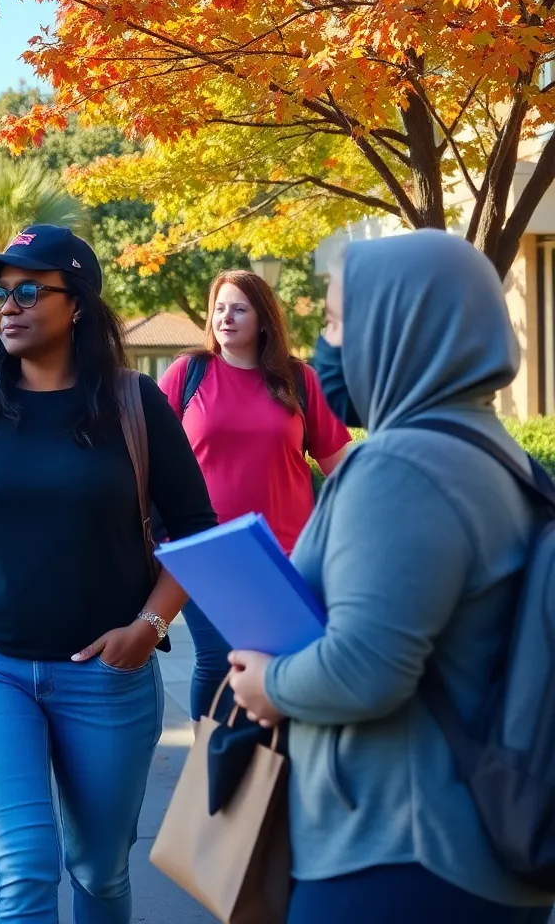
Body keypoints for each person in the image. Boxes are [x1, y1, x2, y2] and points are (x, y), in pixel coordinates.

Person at [228, 231, 555, 923]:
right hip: (477, 854)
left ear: (403, 328)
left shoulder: (403, 467)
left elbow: (367, 668)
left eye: (341, 321)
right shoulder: (505, 462)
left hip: (394, 855)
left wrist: (267, 685)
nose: (326, 342)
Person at [0, 225, 216, 924]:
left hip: (105, 674)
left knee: (101, 872)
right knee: (23, 867)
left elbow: (198, 534)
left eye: (27, 290)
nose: (7, 306)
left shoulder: (136, 404)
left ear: (76, 303)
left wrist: (150, 626)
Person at [159, 269, 349, 725]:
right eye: (220, 308)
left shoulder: (299, 380)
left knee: (276, 666)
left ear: (264, 319)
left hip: (287, 553)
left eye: (239, 308)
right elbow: (147, 455)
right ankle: (214, 764)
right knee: (218, 658)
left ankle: (264, 773)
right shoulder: (187, 373)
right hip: (206, 552)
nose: (226, 317)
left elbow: (342, 467)